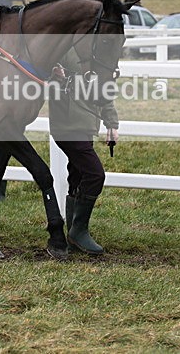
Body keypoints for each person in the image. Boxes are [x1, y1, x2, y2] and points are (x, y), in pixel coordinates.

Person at [49, 47, 119, 255]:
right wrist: (55, 77)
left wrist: (111, 124)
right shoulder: (61, 48)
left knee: (77, 176)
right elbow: (38, 74)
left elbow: (104, 91)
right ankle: (78, 231)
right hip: (66, 127)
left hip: (87, 126)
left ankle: (73, 235)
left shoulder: (95, 54)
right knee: (95, 175)